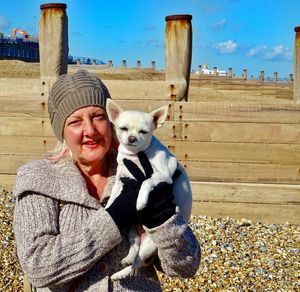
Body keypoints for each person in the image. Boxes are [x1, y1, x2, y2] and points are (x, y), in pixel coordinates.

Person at [13, 69, 201, 291]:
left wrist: (164, 221)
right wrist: (113, 218)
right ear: (61, 130)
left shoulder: (145, 172)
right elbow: (38, 267)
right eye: (75, 121)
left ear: (111, 120)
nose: (90, 130)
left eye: (98, 117)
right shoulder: (38, 179)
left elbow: (186, 266)